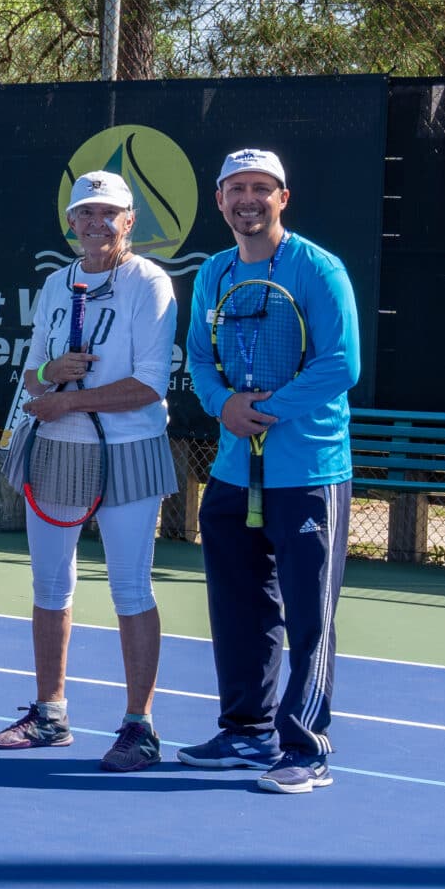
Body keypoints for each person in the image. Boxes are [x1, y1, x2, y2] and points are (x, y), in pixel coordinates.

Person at [180, 149, 360, 793]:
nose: (248, 199)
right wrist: (222, 404)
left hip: (309, 471)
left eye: (262, 187)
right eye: (236, 188)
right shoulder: (214, 273)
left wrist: (268, 410)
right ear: (220, 199)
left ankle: (305, 747)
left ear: (283, 197)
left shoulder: (318, 268)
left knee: (310, 615)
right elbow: (200, 358)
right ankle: (245, 731)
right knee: (238, 607)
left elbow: (341, 364)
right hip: (234, 472)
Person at [0, 171, 177, 771]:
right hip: (54, 447)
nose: (97, 223)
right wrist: (53, 375)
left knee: (131, 588)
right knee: (49, 587)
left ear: (129, 221)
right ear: (71, 221)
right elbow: (31, 374)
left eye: (109, 214)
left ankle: (139, 728)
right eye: (86, 214)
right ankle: (50, 715)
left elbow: (150, 384)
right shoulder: (56, 283)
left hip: (129, 449)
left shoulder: (149, 283)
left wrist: (70, 401)